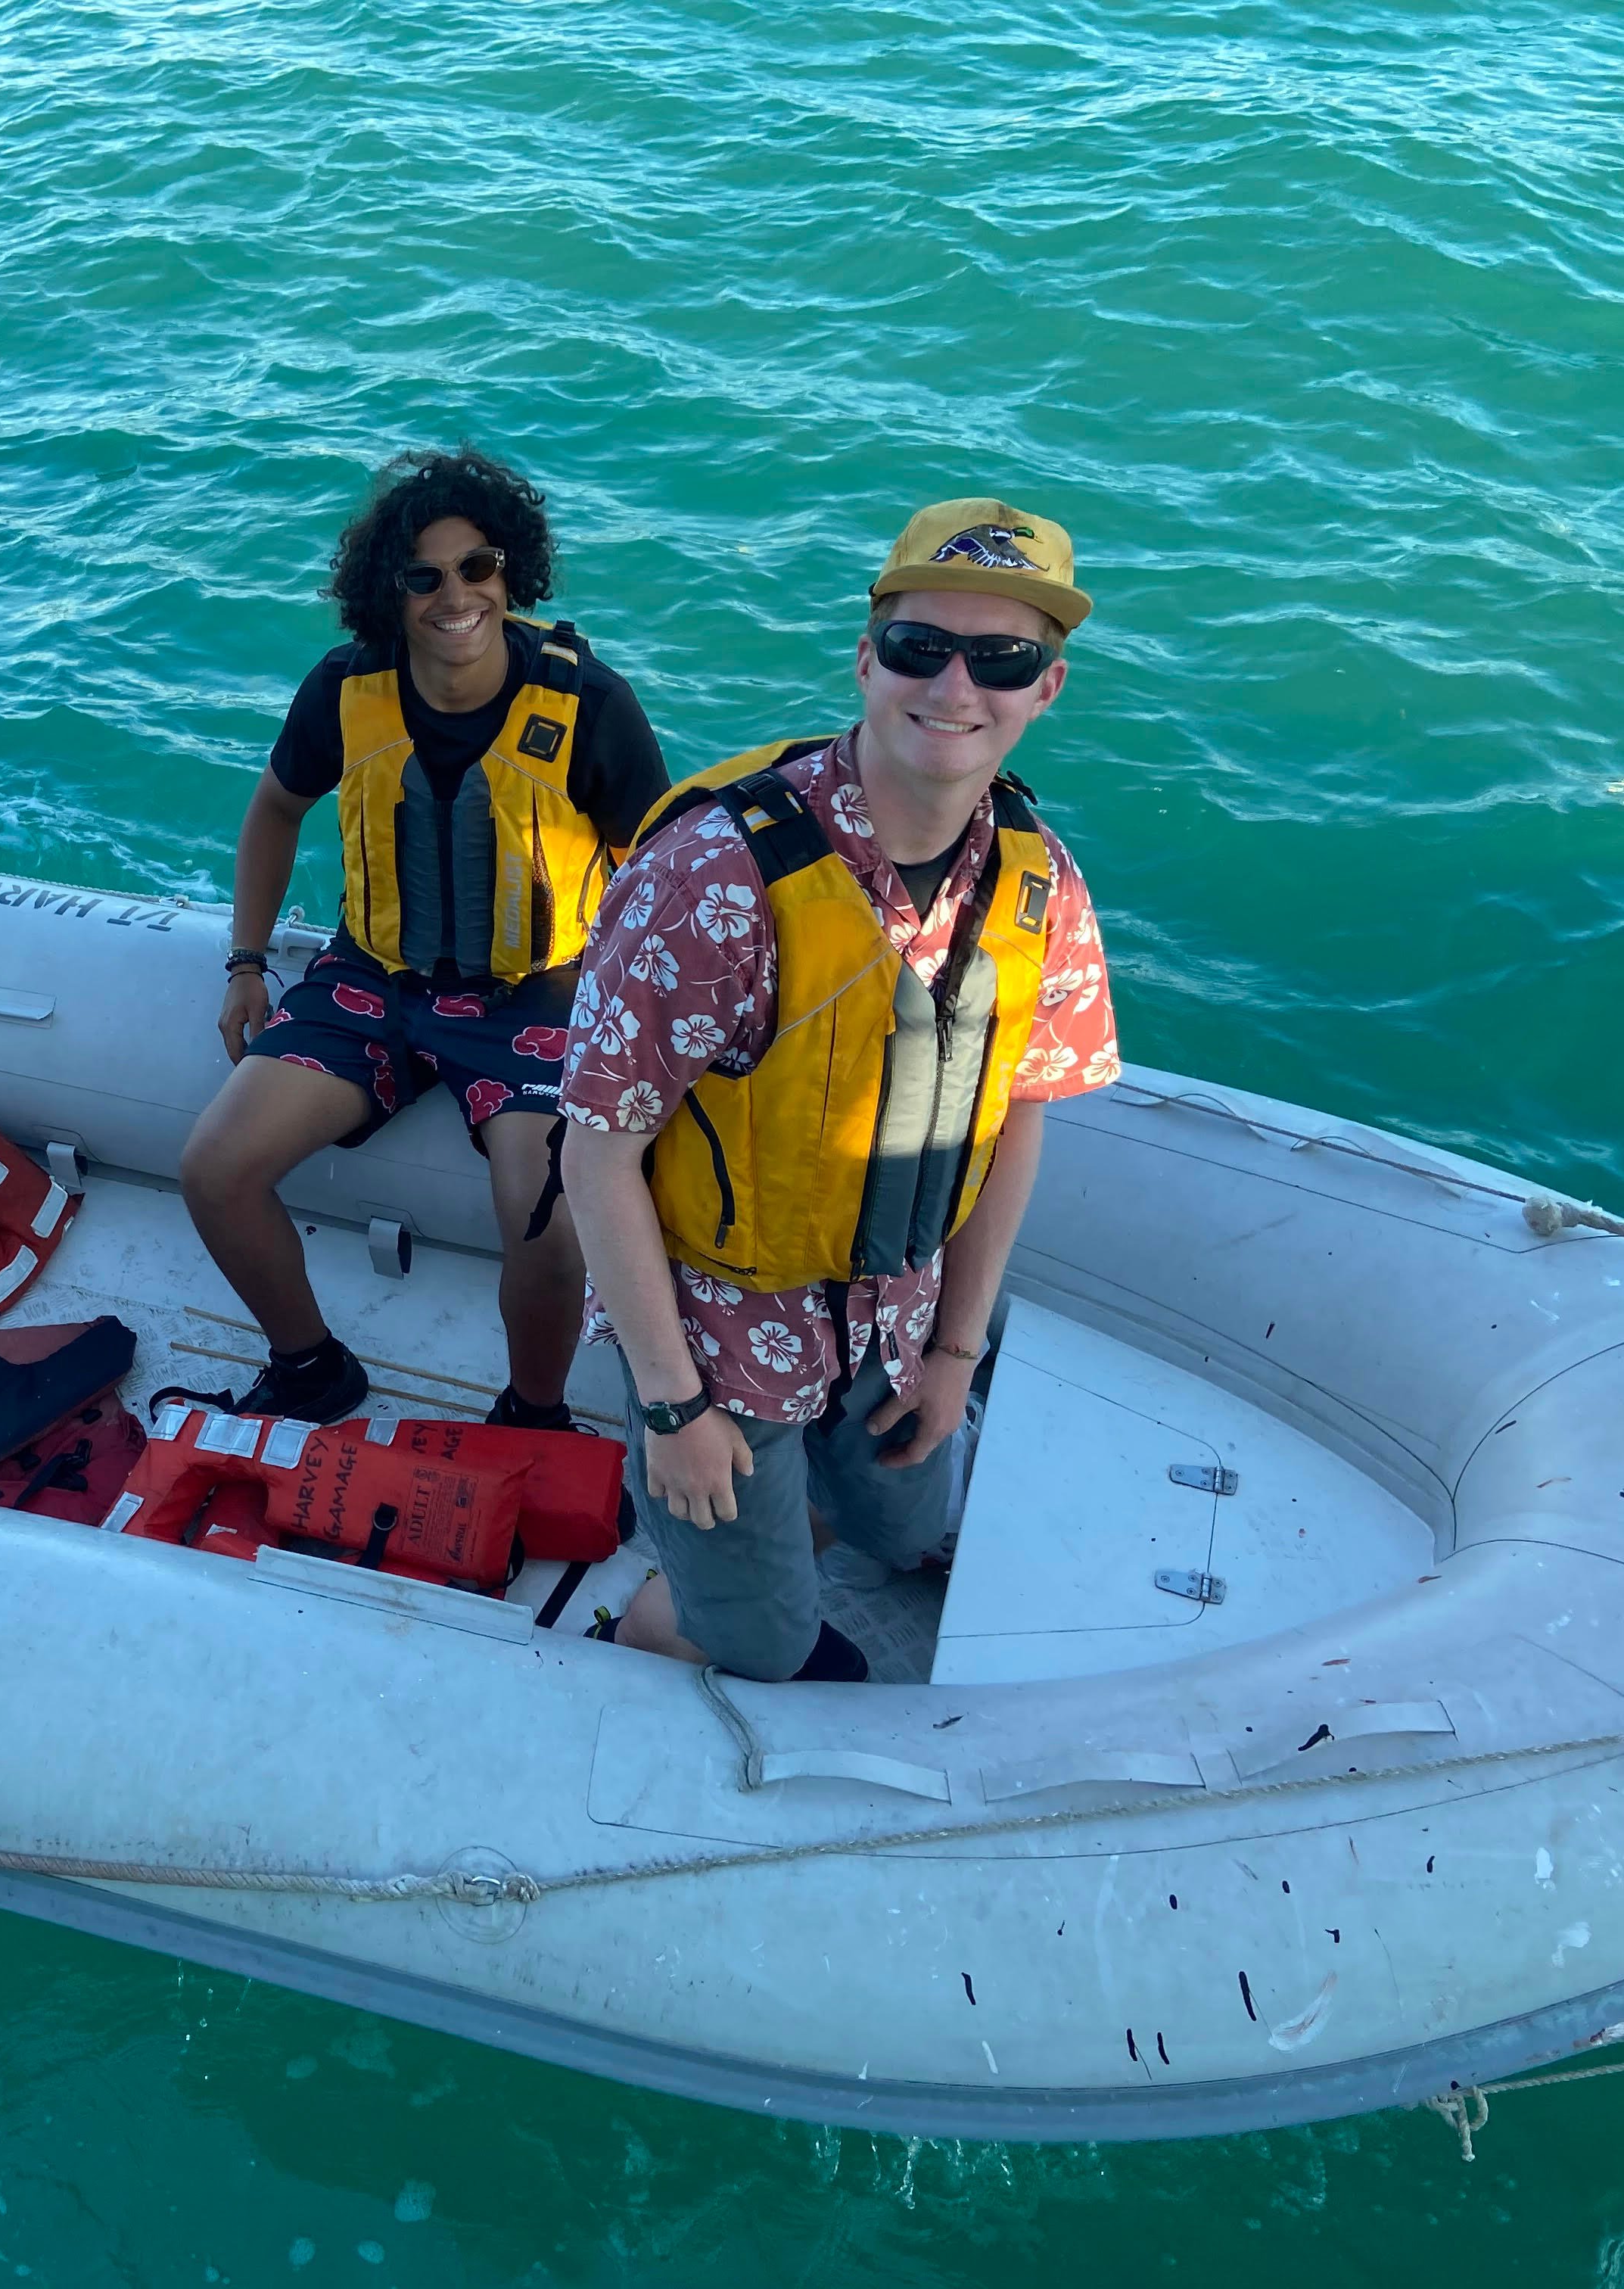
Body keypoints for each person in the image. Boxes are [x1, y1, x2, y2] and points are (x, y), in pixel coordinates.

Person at [558, 499, 1122, 1680]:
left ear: (1046, 688)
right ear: (868, 661)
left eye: (1003, 658)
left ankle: (794, 1518)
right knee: (765, 1650)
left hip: (901, 1317)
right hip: (719, 1342)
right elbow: (597, 1151)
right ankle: (668, 1597)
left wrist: (957, 1352)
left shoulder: (1039, 886)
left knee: (912, 1526)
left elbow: (1020, 1111)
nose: (956, 686)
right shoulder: (715, 881)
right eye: (921, 648)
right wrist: (672, 1412)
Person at [179, 449, 670, 1424]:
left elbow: (658, 881)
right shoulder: (345, 690)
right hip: (374, 979)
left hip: (539, 993)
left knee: (546, 1219)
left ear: (510, 572)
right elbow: (276, 810)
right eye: (425, 577)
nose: (458, 596)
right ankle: (311, 1365)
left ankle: (533, 1412)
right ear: (388, 594)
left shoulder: (588, 704)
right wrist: (246, 962)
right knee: (213, 1169)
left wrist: (637, 1035)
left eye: (479, 567)